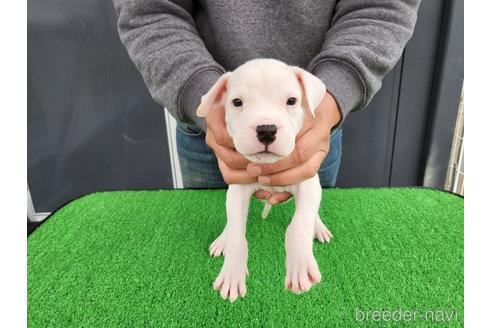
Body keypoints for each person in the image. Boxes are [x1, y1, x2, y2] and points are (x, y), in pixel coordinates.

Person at [114, 0, 420, 204]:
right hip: (211, 129)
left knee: (308, 209)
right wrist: (201, 92)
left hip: (315, 119)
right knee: (216, 223)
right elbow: (150, 9)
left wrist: (332, 95)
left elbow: (381, 6)